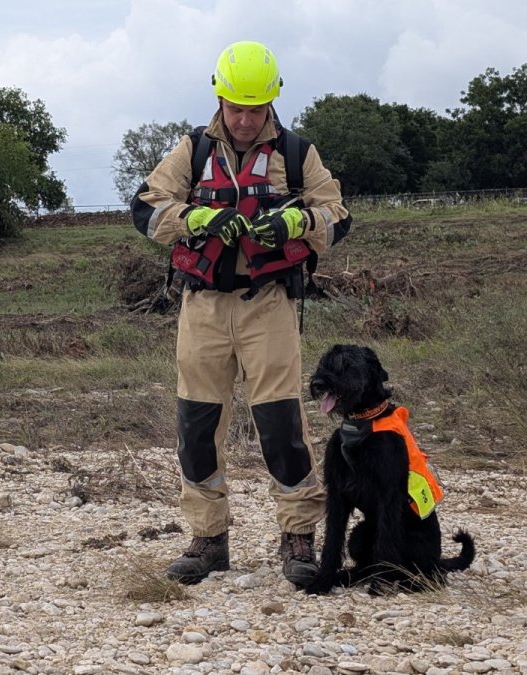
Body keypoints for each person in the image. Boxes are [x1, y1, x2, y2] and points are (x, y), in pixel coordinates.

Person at [130, 40, 352, 587]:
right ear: (220, 98)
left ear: (273, 100)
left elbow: (337, 213)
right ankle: (207, 541)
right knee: (198, 425)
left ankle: (298, 537)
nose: (246, 119)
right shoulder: (191, 151)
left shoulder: (298, 154)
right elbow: (145, 206)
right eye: (236, 108)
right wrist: (198, 217)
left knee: (281, 425)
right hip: (202, 305)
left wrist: (295, 224)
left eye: (256, 108)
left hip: (269, 303)